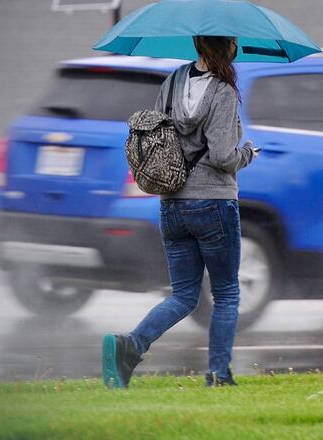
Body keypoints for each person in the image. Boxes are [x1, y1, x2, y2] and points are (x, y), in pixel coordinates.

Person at [102, 35, 257, 389]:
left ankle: (130, 346)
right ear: (228, 48)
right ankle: (218, 375)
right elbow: (221, 156)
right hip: (213, 202)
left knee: (183, 295)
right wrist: (247, 153)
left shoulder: (172, 82)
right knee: (227, 293)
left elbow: (158, 137)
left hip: (171, 203)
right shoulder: (224, 92)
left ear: (198, 45)